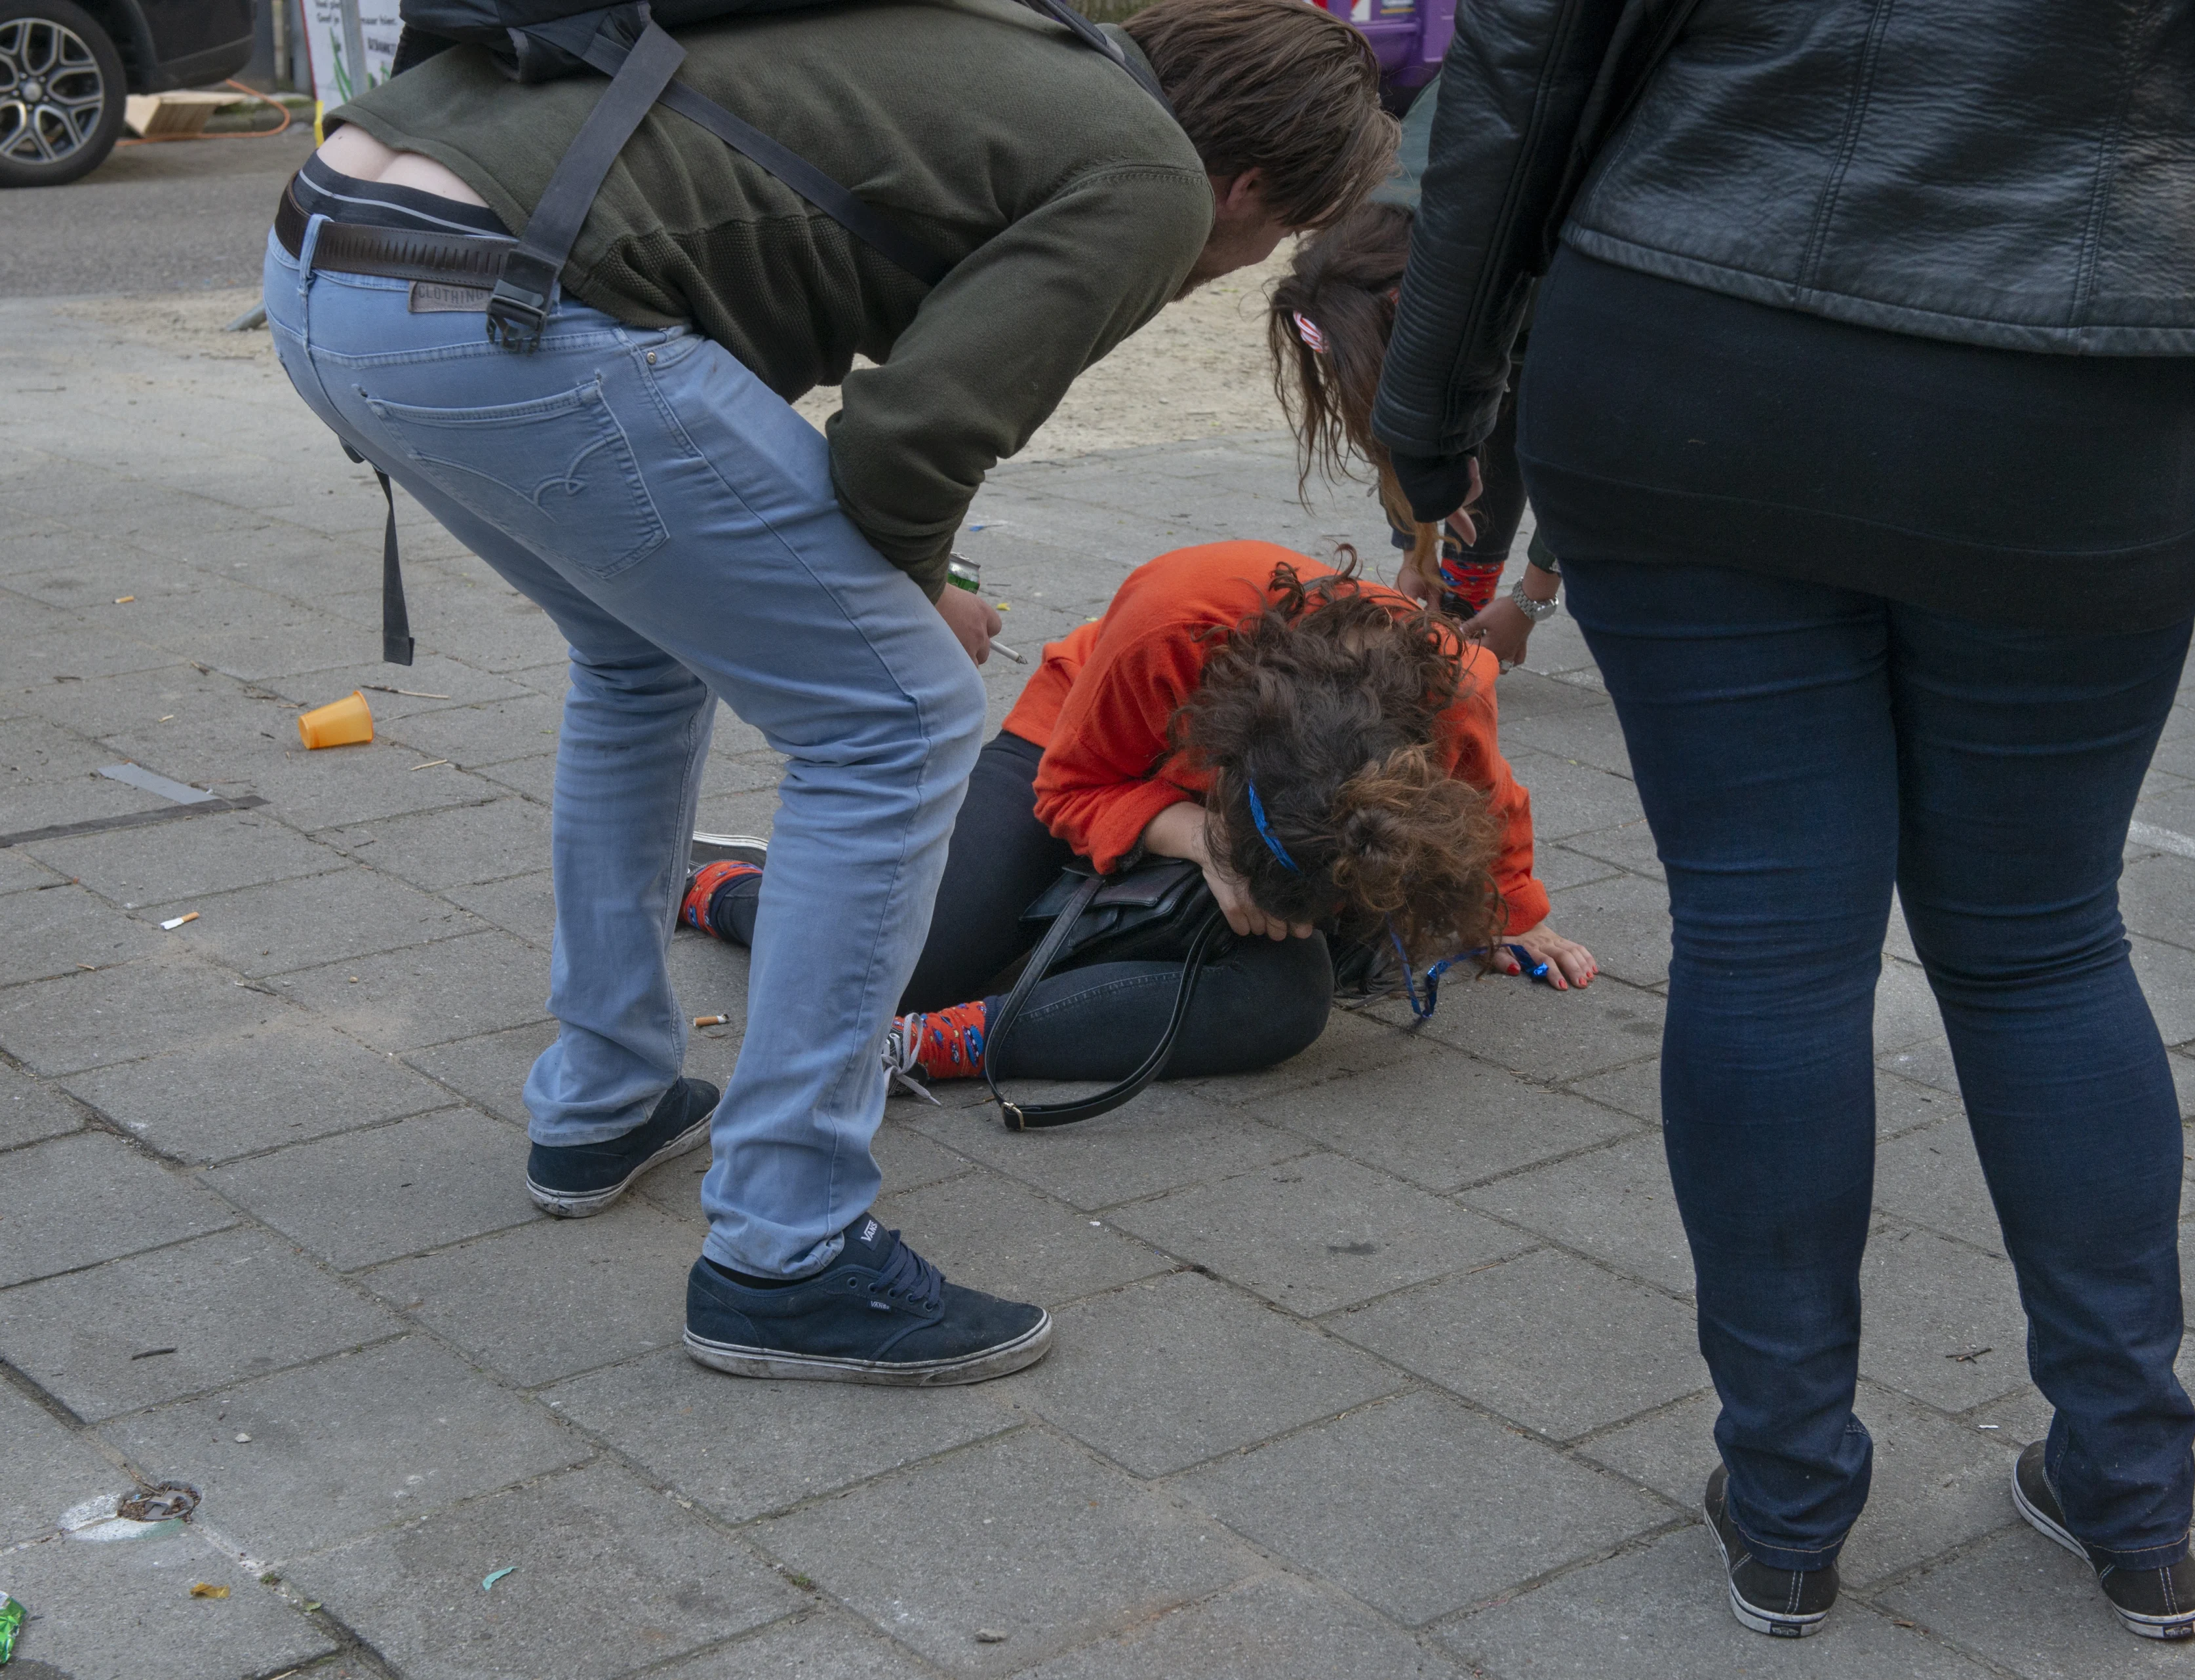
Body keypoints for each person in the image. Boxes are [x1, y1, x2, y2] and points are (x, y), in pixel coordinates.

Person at [1374, 0, 2195, 1645]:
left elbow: (1527, 54)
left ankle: (1782, 1510)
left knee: (1764, 940)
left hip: (1688, 340)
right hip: (2074, 387)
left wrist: (1439, 389)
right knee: (2040, 944)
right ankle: (2127, 1497)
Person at [262, 0, 1398, 1388]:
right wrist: (921, 586)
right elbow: (911, 439)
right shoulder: (1149, 176)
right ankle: (785, 1250)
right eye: (1269, 244)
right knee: (899, 712)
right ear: (1249, 189)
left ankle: (603, 1098)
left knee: (639, 655)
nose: (1240, 265)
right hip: (509, 295)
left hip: (335, 259)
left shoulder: (1010, 56)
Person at [676, 540, 1598, 1087]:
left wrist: (1517, 911)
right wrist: (1201, 840)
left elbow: (1489, 799)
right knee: (899, 964)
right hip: (1083, 755)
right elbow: (1071, 786)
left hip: (1272, 815)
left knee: (1288, 1003)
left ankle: (940, 1042)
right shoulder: (1178, 613)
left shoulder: (1447, 681)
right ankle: (736, 891)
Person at [1267, 199, 1563, 667]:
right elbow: (1394, 419)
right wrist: (1416, 549)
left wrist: (1533, 597)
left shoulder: (1548, 282)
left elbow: (1587, 451)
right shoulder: (1360, 258)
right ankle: (1461, 603)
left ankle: (1467, 598)